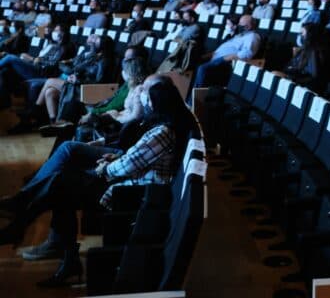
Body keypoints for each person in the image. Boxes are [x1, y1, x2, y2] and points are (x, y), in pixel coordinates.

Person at [0, 75, 196, 287]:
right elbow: (134, 159)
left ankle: (25, 225)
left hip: (128, 193)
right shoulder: (164, 127)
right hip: (130, 183)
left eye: (148, 99)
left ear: (158, 103)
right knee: (60, 185)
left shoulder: (163, 132)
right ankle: (48, 246)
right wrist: (115, 158)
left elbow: (127, 166)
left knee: (60, 184)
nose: (145, 101)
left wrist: (106, 167)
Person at [35, 34, 114, 129]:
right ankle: (55, 122)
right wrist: (75, 76)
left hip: (89, 89)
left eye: (96, 43)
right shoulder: (93, 57)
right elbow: (80, 69)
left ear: (103, 46)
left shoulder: (105, 61)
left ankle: (35, 113)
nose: (93, 44)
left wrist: (78, 80)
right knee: (50, 92)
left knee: (50, 81)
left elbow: (99, 82)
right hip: (79, 84)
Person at [0, 23, 68, 111]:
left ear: (63, 33)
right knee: (5, 70)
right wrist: (29, 58)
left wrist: (34, 59)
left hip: (40, 71)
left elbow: (52, 64)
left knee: (10, 58)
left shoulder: (61, 48)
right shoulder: (50, 44)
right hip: (34, 65)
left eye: (57, 30)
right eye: (54, 30)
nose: (54, 32)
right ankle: (5, 102)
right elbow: (38, 58)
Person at [191, 15, 261, 91]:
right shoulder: (240, 35)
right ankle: (191, 94)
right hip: (215, 58)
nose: (238, 25)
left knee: (202, 68)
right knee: (194, 62)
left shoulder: (252, 37)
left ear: (248, 26)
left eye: (241, 24)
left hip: (225, 63)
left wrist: (226, 58)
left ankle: (197, 97)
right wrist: (204, 56)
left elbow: (246, 54)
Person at [281, 23, 330, 94]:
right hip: (298, 79)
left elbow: (313, 76)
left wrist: (290, 77)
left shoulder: (314, 51)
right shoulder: (305, 48)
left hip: (307, 86)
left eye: (302, 33)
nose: (301, 36)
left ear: (310, 34)